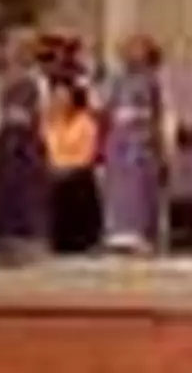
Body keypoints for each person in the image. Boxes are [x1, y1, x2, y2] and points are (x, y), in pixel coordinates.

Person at [0, 26, 50, 265]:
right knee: (4, 187)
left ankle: (29, 240)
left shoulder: (38, 79)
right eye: (16, 48)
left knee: (28, 188)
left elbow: (44, 110)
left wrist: (42, 136)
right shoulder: (0, 79)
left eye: (26, 49)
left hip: (28, 137)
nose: (20, 53)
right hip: (6, 137)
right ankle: (4, 240)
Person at [102, 34, 164, 255]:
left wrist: (153, 134)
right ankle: (118, 233)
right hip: (119, 137)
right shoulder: (116, 79)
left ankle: (141, 234)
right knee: (118, 186)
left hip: (141, 136)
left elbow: (156, 111)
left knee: (141, 186)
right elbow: (106, 106)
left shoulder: (152, 80)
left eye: (139, 50)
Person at [43, 77, 102, 254]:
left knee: (76, 183)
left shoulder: (85, 122)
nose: (60, 102)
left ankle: (83, 239)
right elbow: (51, 150)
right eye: (56, 98)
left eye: (64, 98)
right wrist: (57, 167)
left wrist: (66, 168)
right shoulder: (52, 123)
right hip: (58, 170)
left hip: (78, 171)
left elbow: (87, 154)